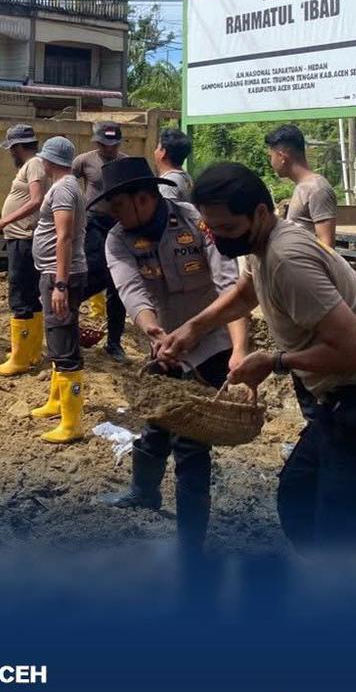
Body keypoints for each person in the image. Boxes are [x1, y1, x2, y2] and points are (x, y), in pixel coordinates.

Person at [157, 162, 356, 555]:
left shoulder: (288, 259)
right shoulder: (261, 247)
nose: (219, 239)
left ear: (260, 214)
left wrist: (273, 361)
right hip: (342, 403)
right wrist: (193, 328)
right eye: (211, 229)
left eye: (229, 229)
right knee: (299, 499)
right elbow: (248, 292)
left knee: (344, 536)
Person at [95, 157, 246, 553]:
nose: (114, 214)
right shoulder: (117, 240)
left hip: (211, 343)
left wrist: (240, 350)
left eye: (119, 205)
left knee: (191, 442)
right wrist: (151, 329)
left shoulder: (196, 221)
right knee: (156, 422)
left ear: (144, 199)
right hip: (163, 344)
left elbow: (229, 282)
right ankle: (144, 492)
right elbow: (131, 291)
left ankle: (190, 538)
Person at [29, 136, 89, 443]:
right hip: (55, 272)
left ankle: (71, 424)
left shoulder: (64, 189)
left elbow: (64, 237)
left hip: (59, 274)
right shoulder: (67, 186)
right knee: (58, 339)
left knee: (63, 342)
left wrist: (61, 284)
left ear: (50, 160)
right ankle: (57, 402)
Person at [0, 124, 47, 376]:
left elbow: (36, 199)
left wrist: (3, 221)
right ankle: (29, 350)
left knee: (20, 296)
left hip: (24, 238)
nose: (11, 154)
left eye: (12, 149)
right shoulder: (34, 165)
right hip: (21, 238)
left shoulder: (34, 164)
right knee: (30, 296)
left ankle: (20, 358)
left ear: (19, 147)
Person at [73, 121, 127, 362]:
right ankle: (69, 324)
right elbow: (64, 182)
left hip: (119, 226)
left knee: (118, 283)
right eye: (104, 145)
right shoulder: (84, 161)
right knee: (91, 272)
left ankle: (114, 343)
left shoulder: (126, 163)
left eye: (112, 145)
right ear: (96, 143)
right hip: (93, 223)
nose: (108, 149)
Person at [265, 124, 337, 248]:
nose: (271, 162)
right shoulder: (303, 187)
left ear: (282, 157)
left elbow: (327, 246)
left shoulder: (317, 189)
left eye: (270, 156)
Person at [154, 128, 194, 204]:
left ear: (163, 152)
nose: (155, 152)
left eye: (158, 148)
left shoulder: (167, 184)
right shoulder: (186, 178)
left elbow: (167, 214)